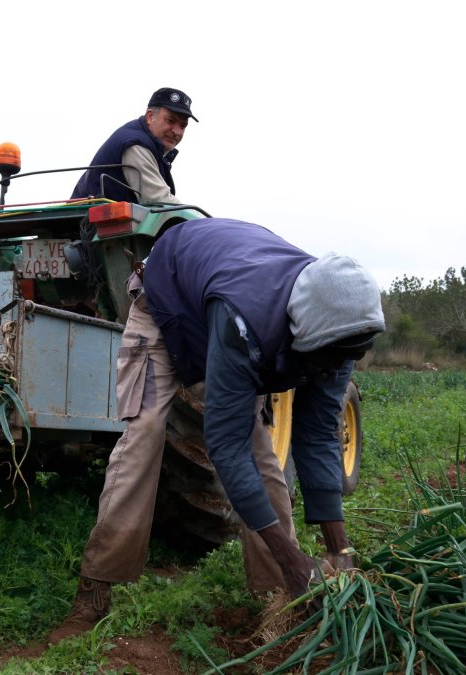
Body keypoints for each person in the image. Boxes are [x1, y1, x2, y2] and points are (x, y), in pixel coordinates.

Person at [49, 218, 384, 642]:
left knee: (262, 453)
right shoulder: (249, 322)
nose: (339, 367)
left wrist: (340, 551)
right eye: (334, 357)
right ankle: (94, 590)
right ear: (306, 330)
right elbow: (224, 448)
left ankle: (280, 597)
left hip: (219, 301)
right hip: (165, 308)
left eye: (350, 357)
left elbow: (317, 437)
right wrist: (292, 555)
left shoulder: (341, 334)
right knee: (146, 436)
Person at [71, 87, 196, 204]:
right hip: (84, 224)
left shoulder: (145, 142)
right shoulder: (136, 145)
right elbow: (159, 201)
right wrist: (201, 222)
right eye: (170, 121)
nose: (177, 131)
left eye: (183, 126)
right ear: (150, 116)